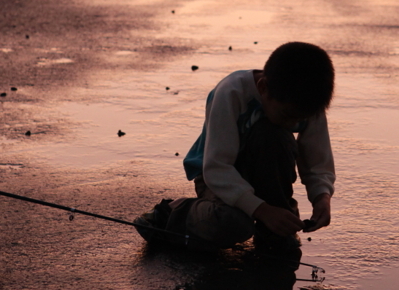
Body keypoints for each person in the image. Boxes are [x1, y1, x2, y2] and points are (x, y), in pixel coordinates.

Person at [135, 42, 335, 253]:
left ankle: (275, 229)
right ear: (263, 88)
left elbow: (317, 162)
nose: (291, 124)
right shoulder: (231, 93)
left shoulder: (307, 103)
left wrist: (322, 197)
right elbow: (217, 168)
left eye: (299, 119)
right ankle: (171, 214)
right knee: (234, 224)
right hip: (215, 177)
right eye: (287, 116)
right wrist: (262, 210)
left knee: (277, 136)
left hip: (263, 172)